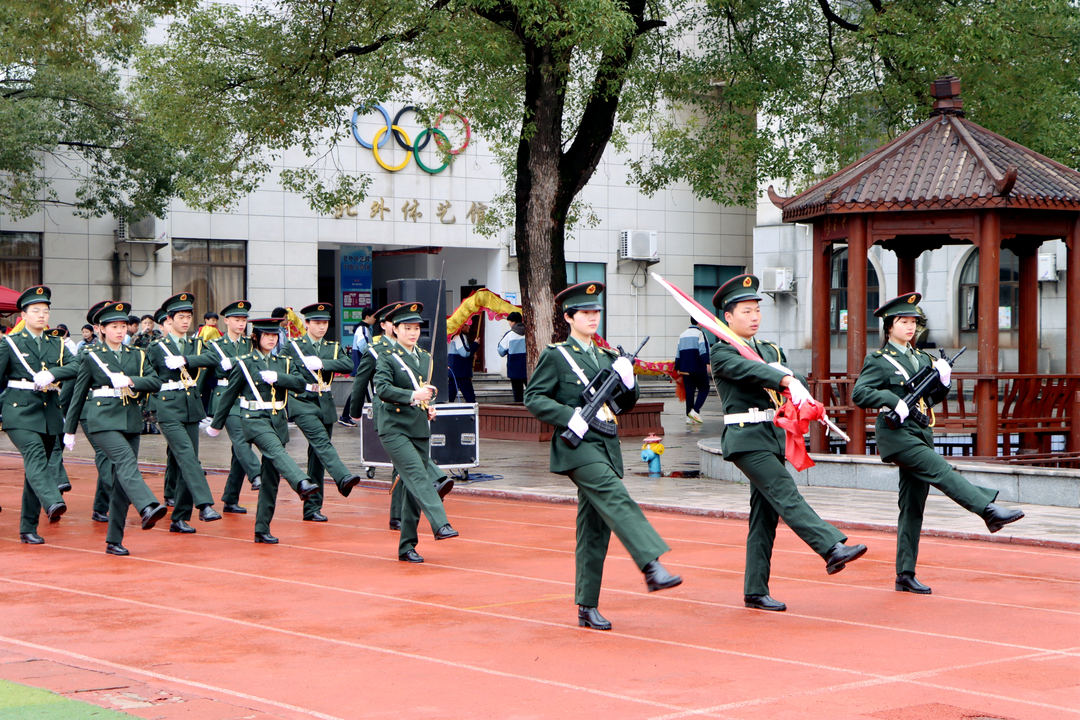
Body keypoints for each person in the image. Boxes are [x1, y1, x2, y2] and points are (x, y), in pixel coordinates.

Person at [524, 281, 682, 631]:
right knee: (616, 498)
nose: (593, 317)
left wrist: (628, 381)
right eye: (585, 312)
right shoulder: (557, 355)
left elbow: (623, 404)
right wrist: (570, 416)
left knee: (594, 529)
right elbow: (533, 398)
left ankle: (586, 606)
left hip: (605, 444)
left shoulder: (608, 356)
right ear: (569, 317)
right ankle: (651, 565)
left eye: (596, 311)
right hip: (577, 447)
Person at [709, 274, 867, 612]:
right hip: (746, 440)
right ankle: (830, 547)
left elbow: (785, 381)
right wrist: (783, 377)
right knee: (784, 492)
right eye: (746, 311)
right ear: (728, 317)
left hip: (771, 437)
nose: (754, 316)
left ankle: (755, 590)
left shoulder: (769, 349)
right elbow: (751, 371)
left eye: (757, 310)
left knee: (764, 516)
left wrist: (802, 395)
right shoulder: (722, 352)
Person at [852, 293, 1024, 594]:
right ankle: (987, 510)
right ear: (889, 326)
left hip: (920, 432)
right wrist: (893, 400)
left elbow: (929, 398)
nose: (910, 327)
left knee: (912, 506)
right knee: (942, 471)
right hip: (895, 435)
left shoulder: (921, 358)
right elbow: (860, 394)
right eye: (903, 322)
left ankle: (905, 574)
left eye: (913, 322)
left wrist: (942, 381)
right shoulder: (877, 360)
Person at [62, 301, 168, 555]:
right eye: (114, 327)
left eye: (123, 326)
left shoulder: (137, 355)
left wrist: (132, 380)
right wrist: (68, 429)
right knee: (125, 462)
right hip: (102, 420)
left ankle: (114, 540)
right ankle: (147, 505)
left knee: (122, 480)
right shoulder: (91, 356)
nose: (120, 331)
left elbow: (155, 382)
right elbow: (77, 395)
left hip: (130, 420)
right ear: (101, 329)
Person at [207, 317, 318, 543]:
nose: (271, 339)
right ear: (256, 337)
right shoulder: (246, 362)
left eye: (274, 336)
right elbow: (228, 396)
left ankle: (262, 528)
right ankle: (301, 482)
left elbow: (299, 383)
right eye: (267, 335)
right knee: (276, 450)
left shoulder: (282, 362)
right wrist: (216, 424)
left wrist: (280, 378)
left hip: (277, 418)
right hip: (254, 418)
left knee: (270, 479)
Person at [373, 302, 459, 563]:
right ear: (395, 330)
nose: (412, 333)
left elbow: (425, 392)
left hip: (419, 426)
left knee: (411, 490)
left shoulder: (424, 357)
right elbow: (382, 389)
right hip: (394, 428)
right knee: (417, 474)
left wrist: (428, 406)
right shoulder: (387, 356)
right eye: (407, 328)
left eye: (416, 328)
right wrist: (412, 395)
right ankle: (441, 523)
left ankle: (407, 546)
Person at [0, 286, 78, 543]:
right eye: (36, 311)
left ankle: (28, 528)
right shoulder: (9, 343)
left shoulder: (56, 344)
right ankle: (53, 501)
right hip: (19, 413)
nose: (42, 315)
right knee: (34, 456)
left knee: (36, 468)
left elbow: (77, 364)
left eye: (45, 311)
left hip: (48, 413)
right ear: (23, 315)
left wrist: (55, 374)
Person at [146, 292, 223, 532]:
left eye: (189, 316)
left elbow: (214, 358)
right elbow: (147, 376)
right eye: (180, 317)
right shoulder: (157, 346)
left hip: (191, 406)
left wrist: (186, 360)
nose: (185, 321)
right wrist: (149, 408)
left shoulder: (196, 343)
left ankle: (179, 518)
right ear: (169, 319)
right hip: (167, 406)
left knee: (183, 463)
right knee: (188, 457)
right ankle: (205, 504)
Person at [281, 301, 363, 521]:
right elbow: (283, 370)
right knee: (322, 443)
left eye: (325, 322)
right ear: (306, 324)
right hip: (301, 401)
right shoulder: (293, 346)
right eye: (316, 322)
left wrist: (323, 363)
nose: (321, 327)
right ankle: (342, 477)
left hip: (324, 401)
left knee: (318, 454)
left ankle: (312, 508)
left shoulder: (333, 348)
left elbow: (348, 365)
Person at [203, 300, 261, 513]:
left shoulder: (250, 344)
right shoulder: (216, 345)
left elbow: (256, 362)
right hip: (225, 397)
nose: (241, 323)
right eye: (237, 320)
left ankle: (230, 498)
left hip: (245, 396)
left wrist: (235, 361)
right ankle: (257, 474)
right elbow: (207, 375)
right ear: (226, 321)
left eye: (244, 320)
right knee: (240, 437)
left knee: (240, 450)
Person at [339, 308, 376, 427]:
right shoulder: (362, 329)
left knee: (359, 391)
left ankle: (346, 416)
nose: (375, 319)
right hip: (364, 365)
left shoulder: (364, 328)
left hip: (362, 365)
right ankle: (373, 415)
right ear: (367, 317)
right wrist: (373, 356)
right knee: (364, 391)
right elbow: (363, 346)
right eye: (374, 316)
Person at [676, 317, 710, 424]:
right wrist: (707, 363)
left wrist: (677, 367)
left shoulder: (682, 335)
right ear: (699, 322)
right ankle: (695, 410)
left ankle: (688, 417)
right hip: (698, 367)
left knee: (690, 392)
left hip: (685, 368)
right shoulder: (700, 334)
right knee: (704, 387)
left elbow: (678, 352)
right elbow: (703, 350)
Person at [498, 311, 527, 402]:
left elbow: (501, 351)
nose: (509, 324)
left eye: (509, 322)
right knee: (531, 392)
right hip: (528, 369)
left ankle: (519, 413)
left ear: (514, 322)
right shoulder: (529, 332)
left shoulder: (509, 335)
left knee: (517, 394)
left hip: (515, 370)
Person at [448, 329, 480, 403]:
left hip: (455, 370)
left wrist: (471, 355)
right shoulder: (459, 336)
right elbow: (465, 353)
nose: (469, 327)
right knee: (469, 397)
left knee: (450, 396)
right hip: (461, 371)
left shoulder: (455, 336)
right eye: (467, 325)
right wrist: (475, 344)